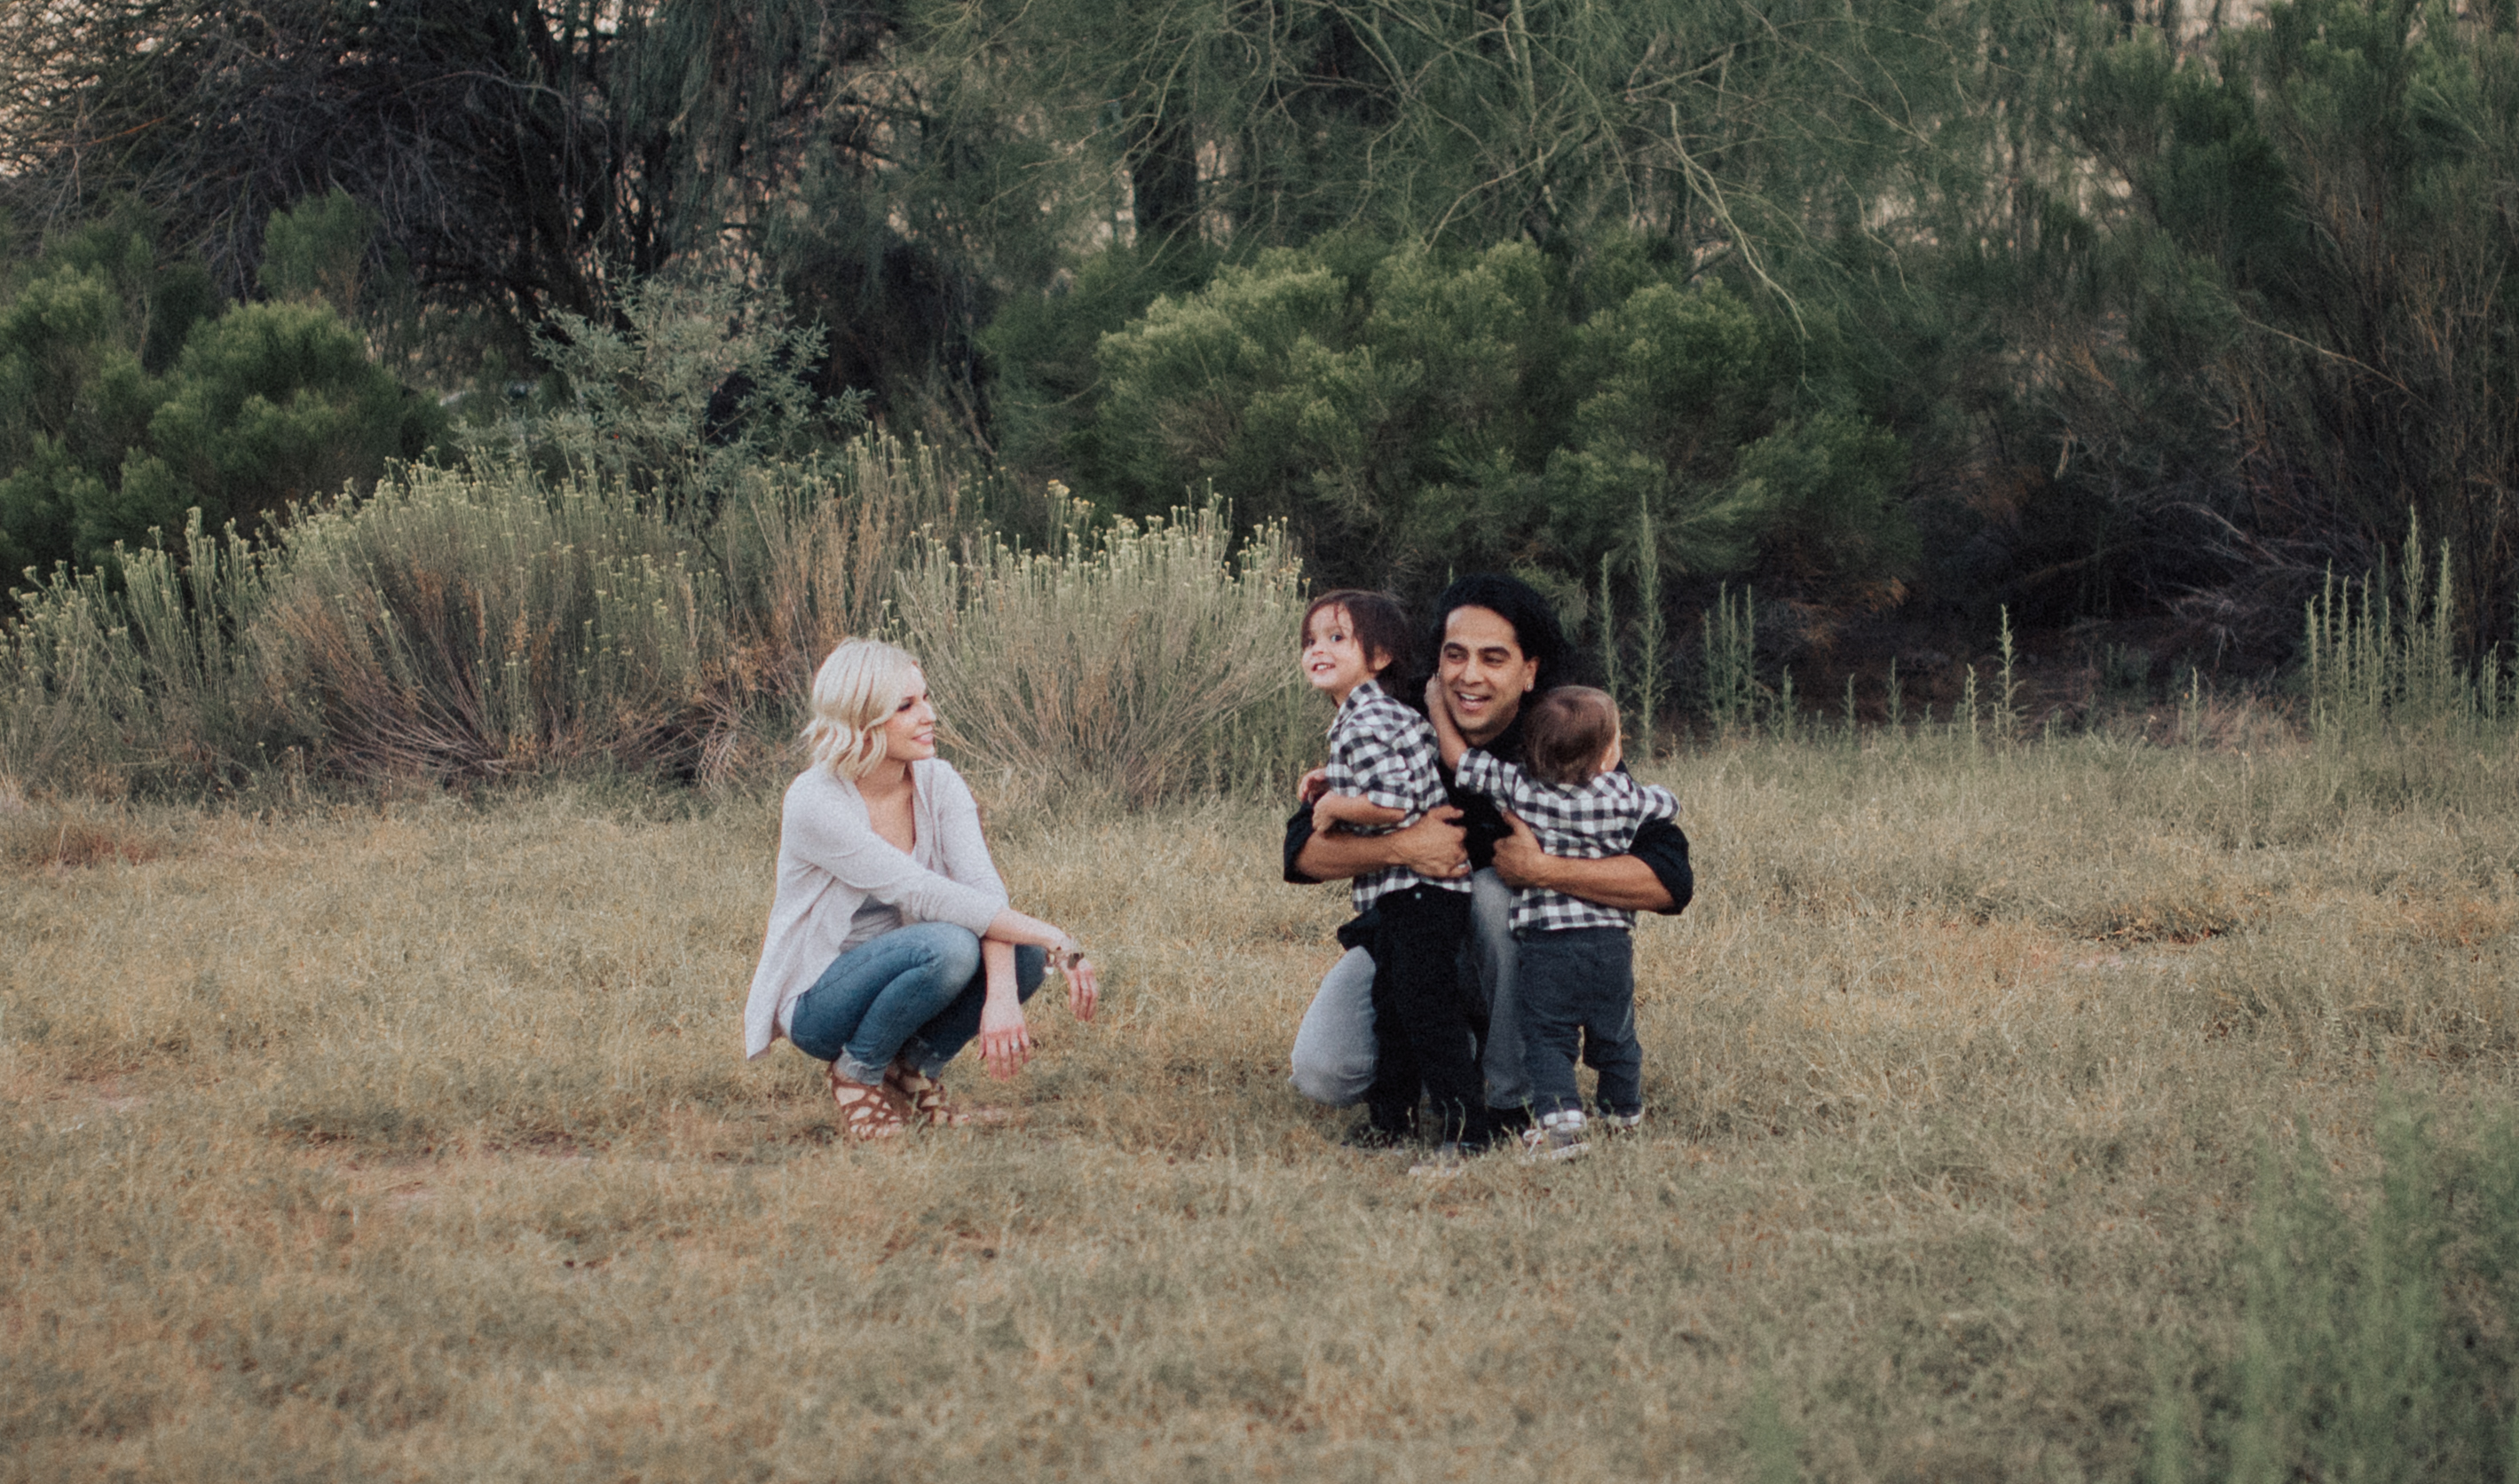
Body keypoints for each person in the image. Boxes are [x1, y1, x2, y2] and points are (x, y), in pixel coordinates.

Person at [1283, 574, 1693, 1139]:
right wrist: (1404, 846)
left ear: (1530, 671)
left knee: (1494, 895)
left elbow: (1669, 880)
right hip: (1407, 938)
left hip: (1515, 951)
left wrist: (1543, 870)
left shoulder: (1561, 737)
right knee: (1325, 1074)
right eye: (1455, 655)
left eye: (1493, 658)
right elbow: (1301, 853)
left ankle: (1510, 1096)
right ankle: (1454, 1053)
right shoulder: (1398, 717)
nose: (1469, 675)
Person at [743, 638, 1101, 1140]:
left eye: (926, 698)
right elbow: (923, 893)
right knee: (950, 945)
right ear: (861, 719)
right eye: (906, 706)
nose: (929, 715)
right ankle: (856, 1074)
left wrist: (1002, 993)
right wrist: (1055, 937)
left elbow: (981, 890)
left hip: (914, 977)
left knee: (1019, 956)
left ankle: (911, 1072)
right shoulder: (815, 801)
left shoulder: (939, 781)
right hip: (820, 1004)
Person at [1431, 684, 1678, 1163]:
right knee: (1616, 1033)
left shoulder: (1521, 789)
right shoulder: (1625, 795)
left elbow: (1460, 761)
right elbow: (1667, 805)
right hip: (1610, 946)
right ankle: (1623, 1111)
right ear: (1608, 755)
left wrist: (1437, 705)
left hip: (1547, 948)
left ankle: (1563, 1125)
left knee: (1547, 1039)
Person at [1300, 590, 1487, 1169]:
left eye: (1338, 638)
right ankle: (1390, 1122)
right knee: (1393, 1006)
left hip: (1420, 892)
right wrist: (1335, 776)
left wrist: (1335, 805)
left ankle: (1466, 1131)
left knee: (1422, 1009)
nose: (1319, 649)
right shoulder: (1377, 714)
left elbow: (1393, 801)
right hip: (1407, 895)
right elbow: (1410, 761)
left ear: (1379, 657)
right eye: (1311, 640)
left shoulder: (1364, 719)